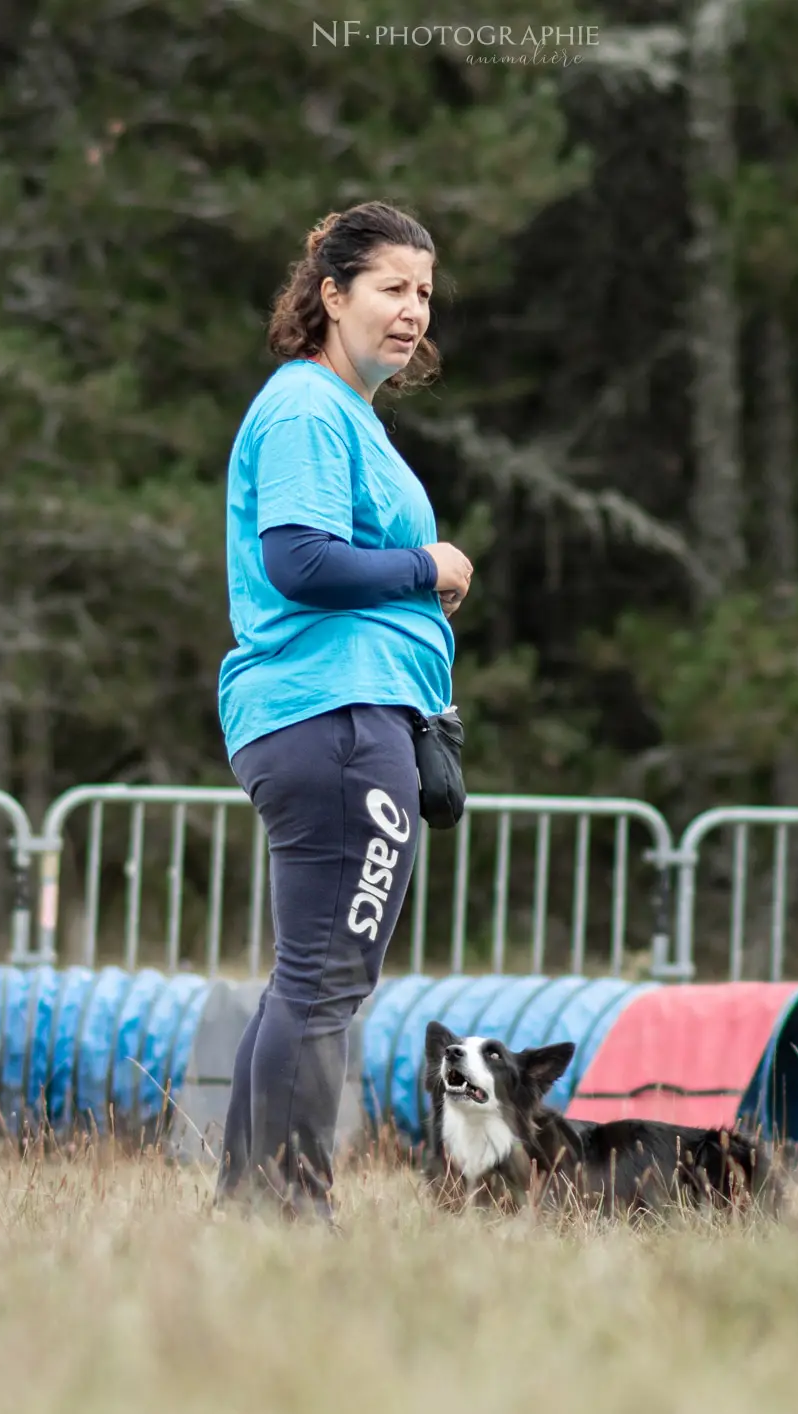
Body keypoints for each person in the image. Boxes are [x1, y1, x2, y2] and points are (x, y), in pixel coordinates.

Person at [213, 200, 473, 1223]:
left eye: (423, 292)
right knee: (324, 983)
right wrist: (429, 566)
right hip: (336, 719)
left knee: (307, 981)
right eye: (389, 289)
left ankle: (247, 1212)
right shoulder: (306, 410)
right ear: (329, 294)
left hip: (345, 717)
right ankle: (287, 1212)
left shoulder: (343, 415)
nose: (411, 311)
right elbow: (301, 560)